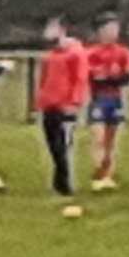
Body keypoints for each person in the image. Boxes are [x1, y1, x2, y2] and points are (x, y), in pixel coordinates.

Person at [30, 17, 88, 198]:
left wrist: (74, 102)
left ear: (61, 30)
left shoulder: (75, 52)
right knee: (53, 145)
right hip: (49, 104)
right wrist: (39, 103)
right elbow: (43, 80)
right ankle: (58, 183)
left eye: (51, 28)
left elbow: (80, 79)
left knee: (63, 145)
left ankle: (64, 184)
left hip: (65, 105)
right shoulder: (50, 55)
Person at [83, 14, 129, 188]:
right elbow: (88, 76)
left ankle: (108, 173)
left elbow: (125, 77)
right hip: (98, 99)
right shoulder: (91, 53)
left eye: (115, 29)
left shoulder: (123, 52)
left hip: (115, 99)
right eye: (108, 29)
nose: (112, 32)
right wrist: (107, 77)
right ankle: (98, 171)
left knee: (111, 140)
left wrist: (107, 77)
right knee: (98, 136)